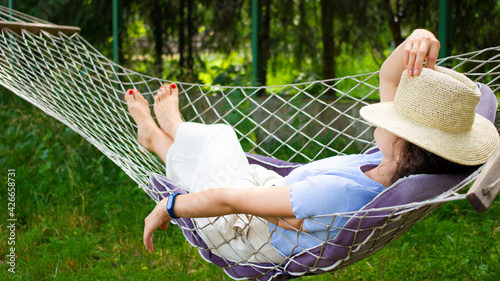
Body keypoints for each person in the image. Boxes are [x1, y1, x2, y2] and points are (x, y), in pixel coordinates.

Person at [125, 29, 499, 263]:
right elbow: (389, 74)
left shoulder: (341, 193)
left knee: (219, 139)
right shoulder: (396, 163)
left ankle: (168, 129)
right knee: (214, 153)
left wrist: (170, 205)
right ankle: (159, 137)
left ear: (402, 142)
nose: (384, 111)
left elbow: (230, 201)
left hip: (245, 232)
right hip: (272, 200)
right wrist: (419, 36)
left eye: (393, 116)